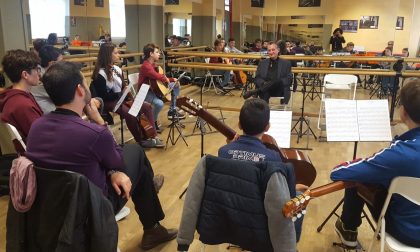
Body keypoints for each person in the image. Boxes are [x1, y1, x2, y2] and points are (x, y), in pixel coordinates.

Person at [25, 61, 177, 250]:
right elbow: (118, 160)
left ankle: (152, 213)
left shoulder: (36, 127)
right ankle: (153, 225)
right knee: (136, 153)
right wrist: (98, 120)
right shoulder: (94, 133)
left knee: (132, 167)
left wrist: (112, 170)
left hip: (53, 205)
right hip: (93, 207)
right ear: (80, 90)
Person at [332, 79, 420, 248]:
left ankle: (348, 230)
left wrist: (365, 163)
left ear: (403, 112)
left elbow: (338, 173)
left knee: (360, 177)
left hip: (408, 233)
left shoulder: (401, 153)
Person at [218, 98, 307, 242]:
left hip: (229, 219)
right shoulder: (273, 158)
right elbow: (283, 196)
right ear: (267, 127)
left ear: (239, 124)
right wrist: (295, 188)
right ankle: (290, 243)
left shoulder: (223, 152)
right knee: (299, 196)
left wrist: (231, 147)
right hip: (259, 222)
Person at [91, 43, 164, 148]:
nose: (118, 55)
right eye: (115, 53)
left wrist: (128, 93)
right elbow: (104, 96)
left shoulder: (117, 69)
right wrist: (121, 93)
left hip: (121, 98)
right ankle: (140, 141)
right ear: (108, 55)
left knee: (147, 107)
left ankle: (153, 136)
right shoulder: (100, 73)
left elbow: (123, 87)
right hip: (109, 102)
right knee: (130, 114)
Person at [138, 43, 185, 128]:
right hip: (144, 92)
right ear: (151, 54)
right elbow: (157, 76)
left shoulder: (154, 64)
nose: (159, 54)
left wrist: (172, 80)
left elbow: (160, 77)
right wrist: (168, 79)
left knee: (175, 85)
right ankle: (152, 122)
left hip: (153, 89)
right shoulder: (146, 65)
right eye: (157, 52)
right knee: (159, 104)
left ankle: (172, 110)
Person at [0, 49, 43, 141]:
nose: (39, 73)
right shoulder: (22, 105)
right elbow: (41, 138)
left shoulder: (12, 96)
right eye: (37, 69)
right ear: (25, 74)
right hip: (37, 152)